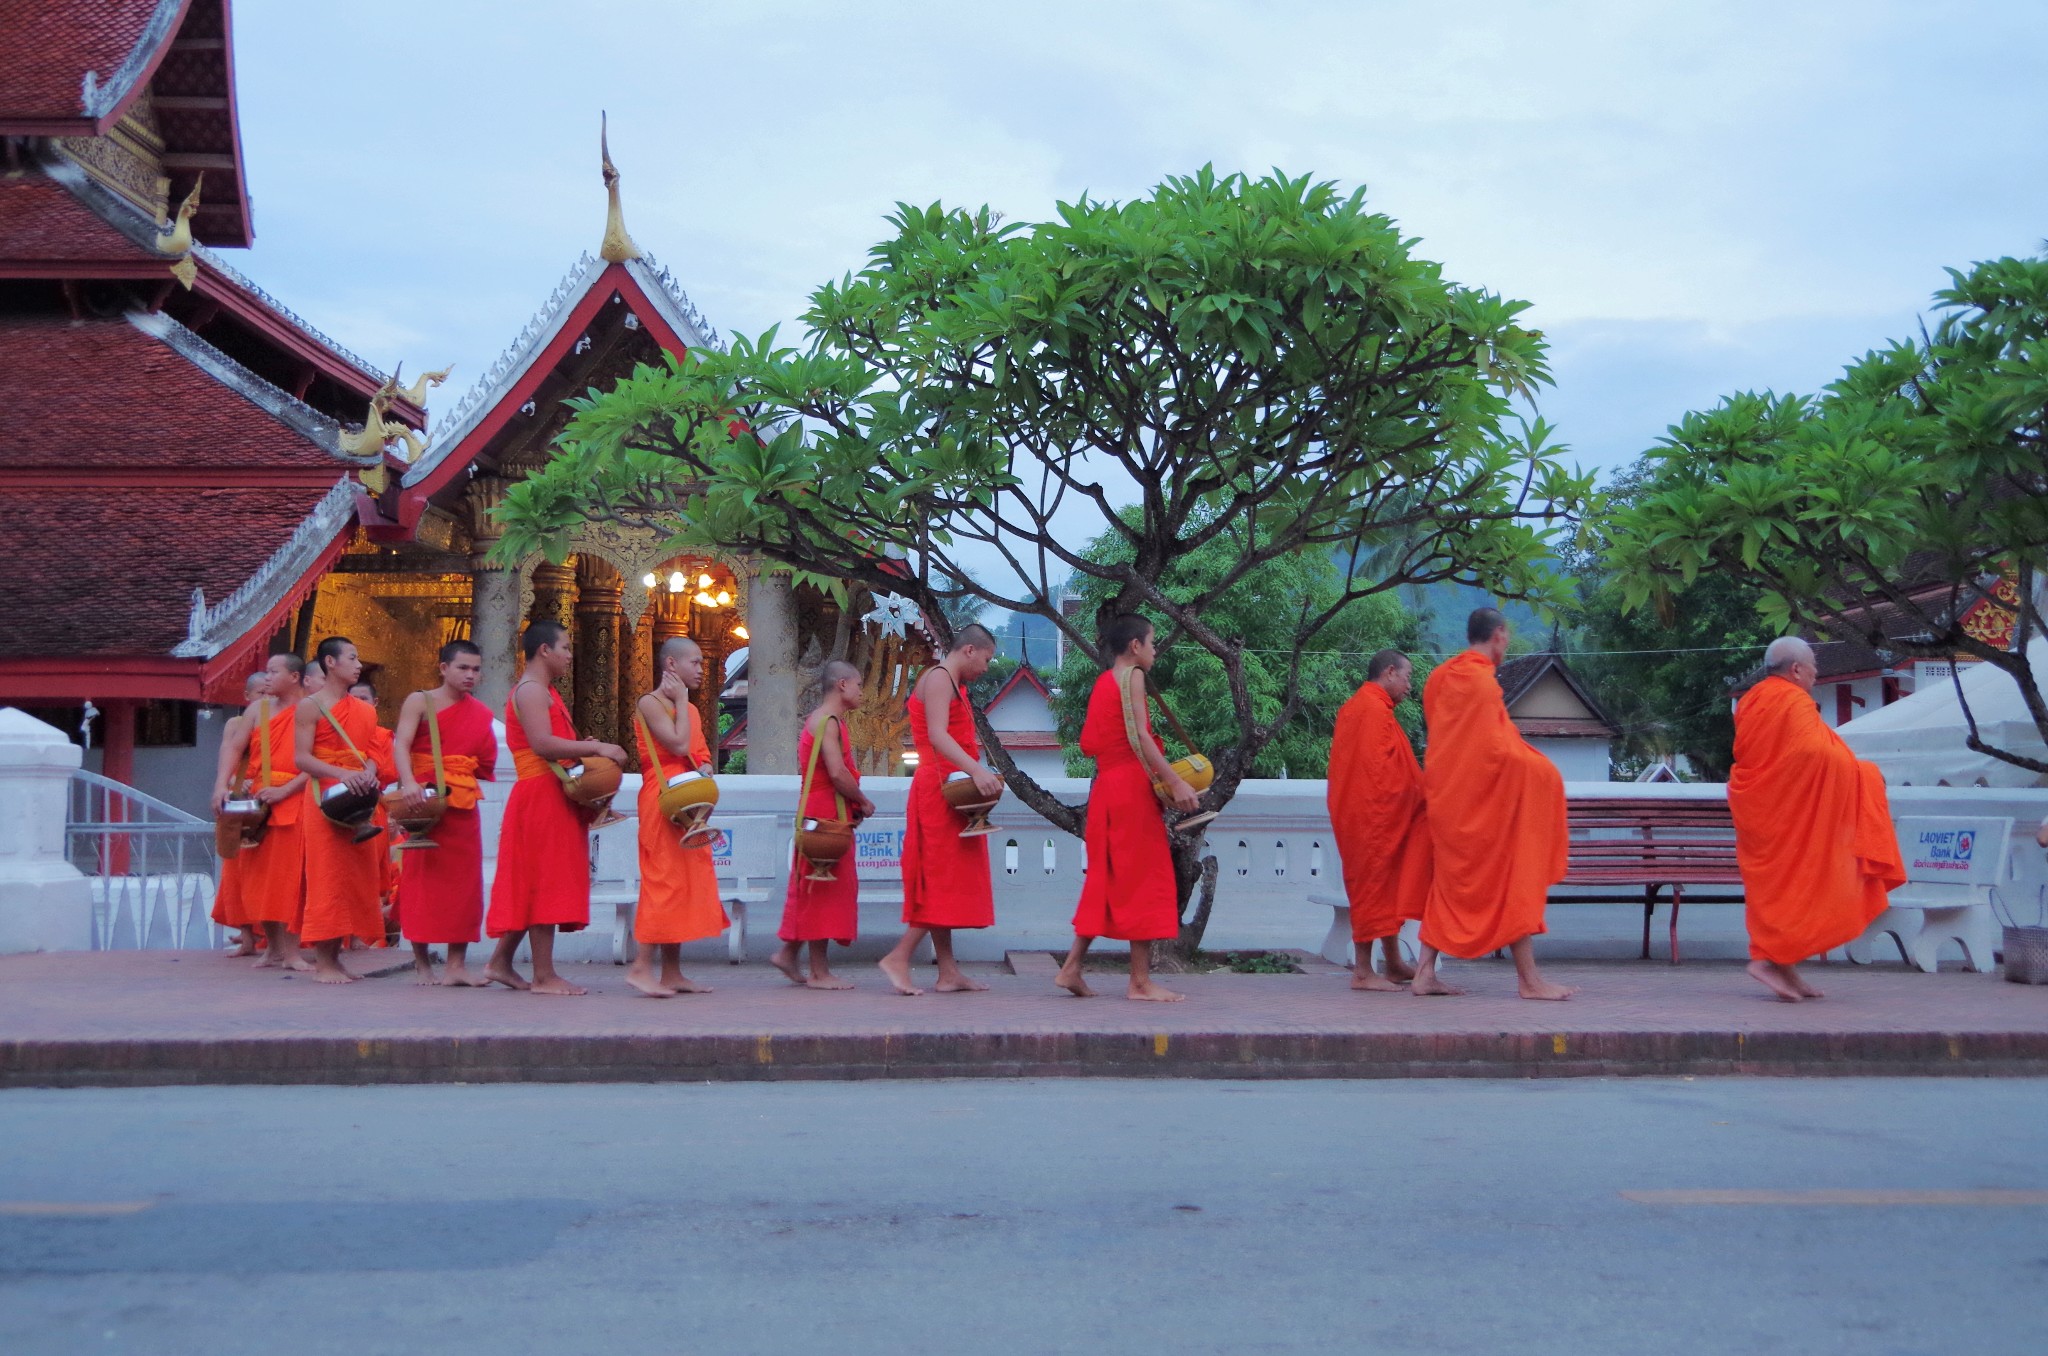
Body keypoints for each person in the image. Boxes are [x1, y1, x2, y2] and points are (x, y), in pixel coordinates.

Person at [1728, 636, 1906, 1002]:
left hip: (1769, 814)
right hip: (1786, 816)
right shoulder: (1791, 700)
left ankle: (1783, 966)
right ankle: (1765, 962)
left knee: (1784, 892)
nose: (1815, 676)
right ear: (1796, 670)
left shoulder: (1752, 700)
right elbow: (1811, 754)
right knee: (1803, 888)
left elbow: (1782, 758)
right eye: (1813, 670)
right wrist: (1866, 774)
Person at [1411, 608, 1573, 1001]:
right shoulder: (1481, 684)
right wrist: (1543, 772)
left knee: (1447, 884)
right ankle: (1529, 981)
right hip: (1481, 805)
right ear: (1498, 635)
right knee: (1514, 879)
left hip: (1448, 801)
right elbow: (1496, 751)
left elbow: (1451, 742)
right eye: (1507, 637)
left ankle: (1423, 974)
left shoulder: (1439, 677)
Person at [1054, 614, 1200, 1003]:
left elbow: (1088, 743)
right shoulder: (1131, 675)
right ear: (1135, 646)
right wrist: (1175, 780)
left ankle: (1071, 967)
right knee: (1145, 880)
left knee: (1108, 878)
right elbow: (1139, 735)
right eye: (1152, 643)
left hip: (1107, 789)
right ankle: (1139, 981)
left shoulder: (1103, 682)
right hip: (1131, 789)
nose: (1154, 651)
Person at [484, 621, 628, 995]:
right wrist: (594, 749)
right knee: (543, 882)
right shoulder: (531, 690)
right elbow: (543, 745)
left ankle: (500, 962)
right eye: (564, 647)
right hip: (539, 795)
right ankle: (544, 976)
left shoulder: (544, 691)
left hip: (550, 793)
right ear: (544, 650)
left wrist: (583, 745)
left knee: (535, 881)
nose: (568, 655)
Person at [879, 623, 1002, 996]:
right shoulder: (938, 678)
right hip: (938, 790)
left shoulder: (954, 684)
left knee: (947, 878)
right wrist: (977, 769)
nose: (986, 666)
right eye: (986, 657)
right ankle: (898, 957)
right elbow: (937, 736)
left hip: (952, 790)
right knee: (938, 878)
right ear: (969, 650)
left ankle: (948, 971)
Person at [391, 640, 499, 987]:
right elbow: (401, 744)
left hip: (462, 803)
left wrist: (459, 768)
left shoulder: (481, 714)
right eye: (463, 668)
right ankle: (422, 963)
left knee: (464, 887)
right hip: (424, 803)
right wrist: (408, 782)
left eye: (476, 669)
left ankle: (456, 966)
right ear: (443, 668)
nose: (470, 675)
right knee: (420, 883)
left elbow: (484, 762)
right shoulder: (419, 701)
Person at [625, 637, 727, 998]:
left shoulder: (693, 711)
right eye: (695, 663)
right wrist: (682, 701)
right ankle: (640, 967)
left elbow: (697, 752)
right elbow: (678, 746)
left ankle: (671, 972)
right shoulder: (649, 703)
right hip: (661, 798)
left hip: (687, 800)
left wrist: (705, 767)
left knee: (685, 881)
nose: (702, 669)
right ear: (671, 665)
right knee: (663, 881)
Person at [1327, 649, 1431, 991]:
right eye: (1407, 676)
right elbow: (1378, 776)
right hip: (1371, 817)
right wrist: (1418, 793)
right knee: (1372, 887)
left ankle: (1394, 962)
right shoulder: (1370, 709)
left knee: (1386, 886)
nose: (1409, 685)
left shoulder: (1361, 706)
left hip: (1366, 813)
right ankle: (1362, 971)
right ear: (1389, 672)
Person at [294, 637, 394, 983]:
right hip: (325, 795)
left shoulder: (365, 710)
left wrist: (367, 769)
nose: (357, 663)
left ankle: (337, 958)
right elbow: (302, 758)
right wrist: (342, 774)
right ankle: (323, 962)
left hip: (359, 798)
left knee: (354, 879)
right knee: (327, 878)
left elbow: (371, 751)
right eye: (351, 657)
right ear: (330, 663)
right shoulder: (311, 706)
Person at [771, 661, 874, 990]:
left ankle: (789, 954)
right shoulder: (827, 721)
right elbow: (837, 773)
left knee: (818, 886)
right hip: (823, 815)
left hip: (824, 811)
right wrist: (864, 800)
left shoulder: (827, 720)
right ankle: (818, 972)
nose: (862, 691)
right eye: (858, 684)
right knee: (823, 888)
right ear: (842, 684)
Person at [230, 653, 311, 971]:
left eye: (273, 672)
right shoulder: (256, 711)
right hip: (259, 805)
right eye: (265, 672)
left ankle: (292, 951)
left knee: (290, 882)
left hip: (295, 799)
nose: (266, 678)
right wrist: (223, 785)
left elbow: (317, 761)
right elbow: (235, 748)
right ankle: (273, 948)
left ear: (294, 677)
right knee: (260, 881)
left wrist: (285, 790)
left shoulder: (310, 710)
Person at [208, 672, 268, 956]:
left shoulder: (283, 716)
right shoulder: (236, 723)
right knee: (238, 872)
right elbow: (228, 757)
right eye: (260, 694)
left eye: (270, 693)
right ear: (246, 697)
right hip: (243, 798)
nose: (265, 700)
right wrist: (233, 782)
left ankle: (270, 936)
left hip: (271, 796)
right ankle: (246, 937)